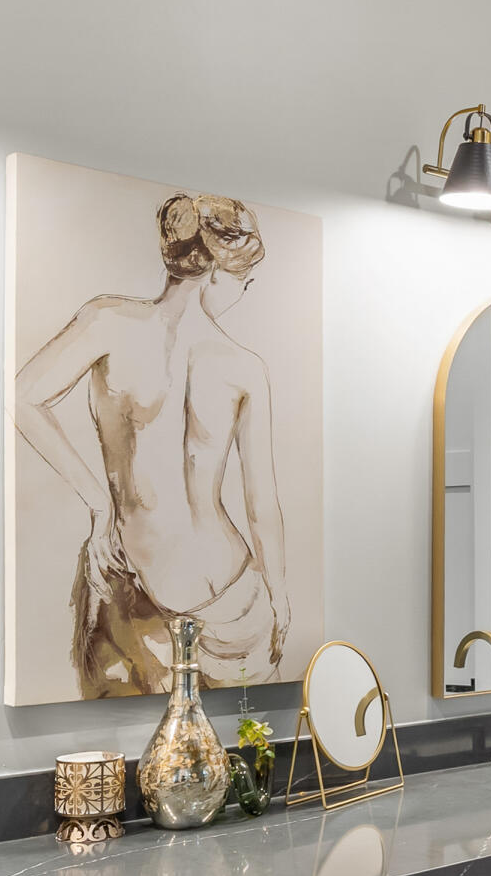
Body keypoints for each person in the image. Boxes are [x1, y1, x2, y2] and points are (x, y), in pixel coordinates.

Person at [15, 191, 292, 695]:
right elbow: (262, 507)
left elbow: (22, 398)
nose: (244, 293)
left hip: (160, 589)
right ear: (215, 272)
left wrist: (102, 506)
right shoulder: (243, 367)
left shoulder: (107, 321)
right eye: (243, 281)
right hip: (227, 593)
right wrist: (278, 596)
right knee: (236, 758)